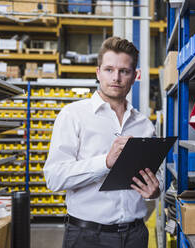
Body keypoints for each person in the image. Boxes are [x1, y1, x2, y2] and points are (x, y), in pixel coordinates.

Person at [44, 36, 161, 248]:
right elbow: (54, 178)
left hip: (135, 235)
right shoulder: (73, 115)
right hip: (87, 236)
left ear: (135, 76)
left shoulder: (144, 124)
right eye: (109, 70)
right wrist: (105, 162)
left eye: (124, 71)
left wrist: (155, 189)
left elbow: (155, 174)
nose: (116, 77)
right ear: (98, 72)